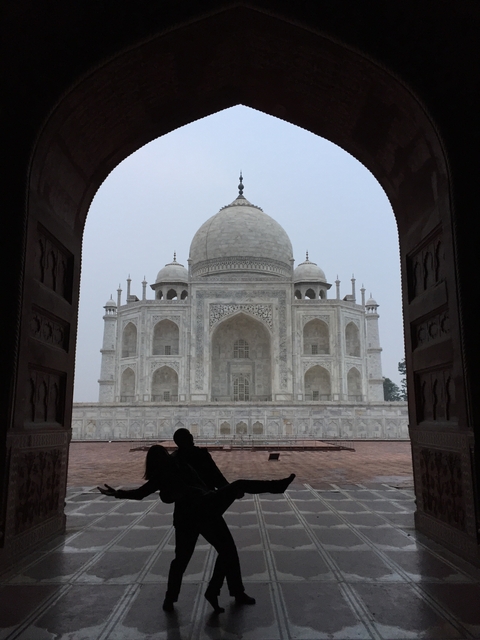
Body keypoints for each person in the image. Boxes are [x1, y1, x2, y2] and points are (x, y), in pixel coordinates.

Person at [98, 445, 295, 613]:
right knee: (228, 550)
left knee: (182, 560)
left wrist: (117, 494)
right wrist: (222, 494)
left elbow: (141, 494)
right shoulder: (177, 467)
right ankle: (221, 591)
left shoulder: (163, 475)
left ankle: (171, 598)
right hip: (206, 509)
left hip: (187, 518)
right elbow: (198, 486)